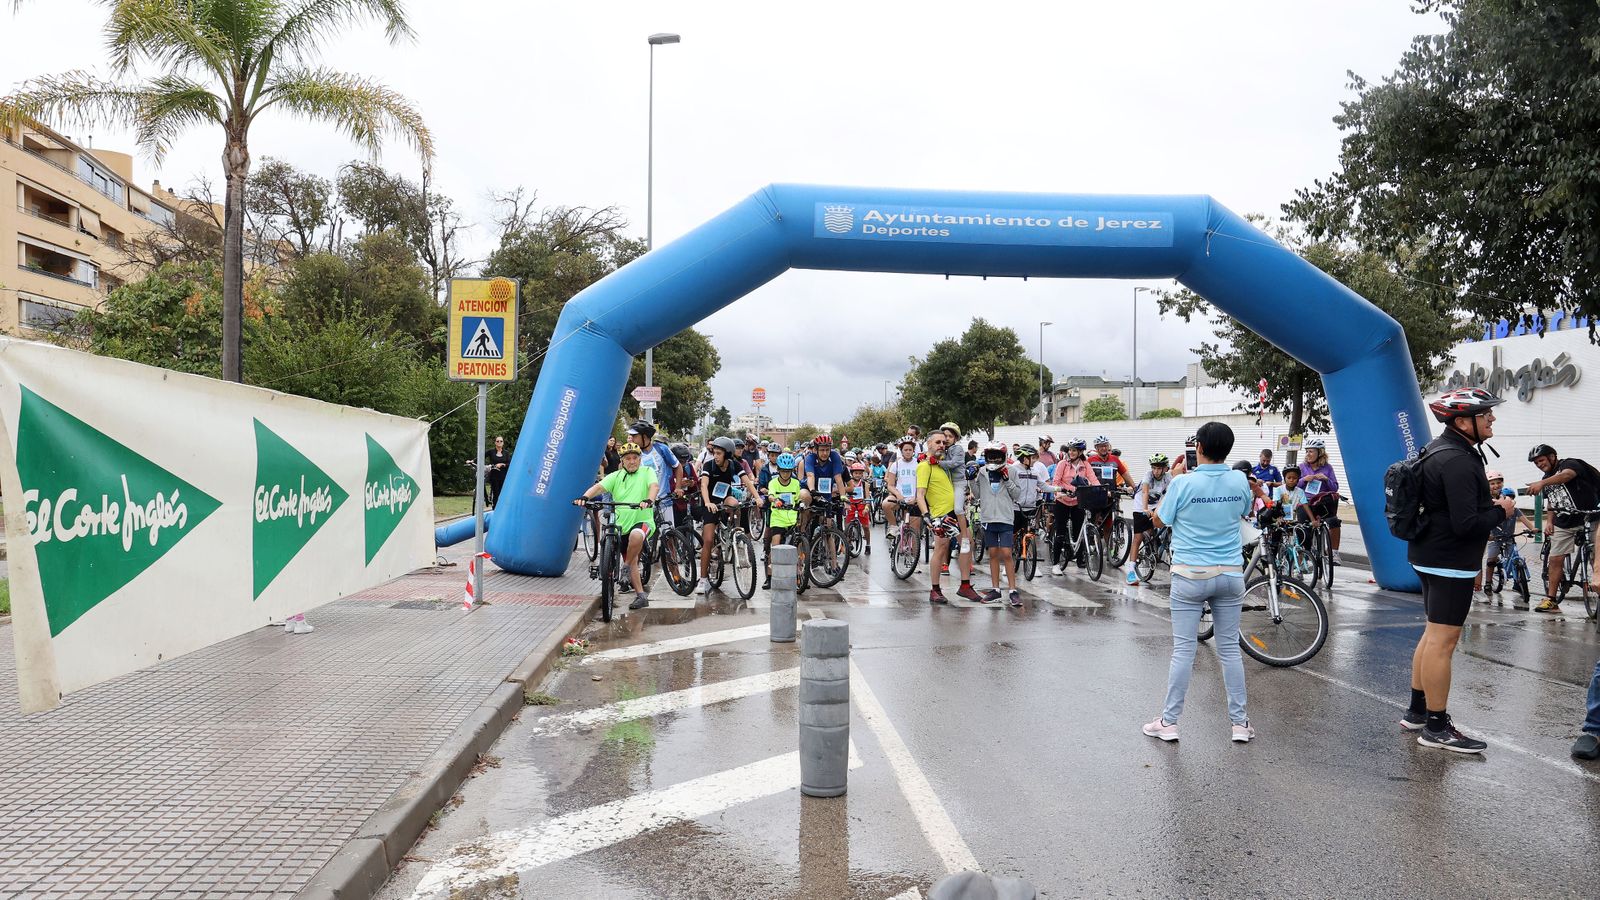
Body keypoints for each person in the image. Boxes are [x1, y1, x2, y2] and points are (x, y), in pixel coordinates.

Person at [1401, 388, 1517, 753]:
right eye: (1486, 415)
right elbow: (1468, 523)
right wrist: (1502, 510)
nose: (1492, 419)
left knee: (1432, 633)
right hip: (1449, 560)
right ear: (1463, 422)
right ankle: (1436, 727)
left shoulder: (1439, 449)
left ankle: (1417, 711)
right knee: (1443, 640)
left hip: (1428, 553)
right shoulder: (1459, 461)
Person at [1143, 421, 1254, 744]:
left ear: (1199, 449)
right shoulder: (1239, 480)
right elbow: (1244, 510)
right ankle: (1240, 724)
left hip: (1190, 575)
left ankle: (1169, 722)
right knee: (1230, 649)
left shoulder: (1183, 482)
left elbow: (1159, 519)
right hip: (1231, 574)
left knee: (1184, 650)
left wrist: (1177, 480)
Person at [574, 442, 660, 611]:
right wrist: (584, 497)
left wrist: (649, 500)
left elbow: (654, 487)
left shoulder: (647, 472)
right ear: (622, 461)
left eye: (635, 458)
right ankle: (641, 596)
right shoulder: (616, 476)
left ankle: (625, 568)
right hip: (621, 525)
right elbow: (599, 487)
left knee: (636, 537)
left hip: (642, 522)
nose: (632, 461)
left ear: (640, 459)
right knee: (631, 557)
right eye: (628, 458)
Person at [1525, 444, 1600, 613]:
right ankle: (1551, 600)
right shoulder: (1547, 477)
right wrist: (1550, 522)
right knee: (1555, 558)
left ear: (1552, 457)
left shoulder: (1570, 464)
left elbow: (1567, 476)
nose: (1539, 464)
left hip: (1590, 517)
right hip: (1564, 522)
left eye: (1541, 460)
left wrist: (1542, 483)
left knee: (1597, 557)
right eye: (1536, 463)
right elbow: (1552, 501)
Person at [696, 436, 760, 595]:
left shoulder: (734, 465)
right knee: (708, 540)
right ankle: (703, 580)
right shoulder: (708, 465)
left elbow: (748, 482)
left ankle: (733, 531)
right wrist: (707, 502)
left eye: (718, 453)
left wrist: (757, 497)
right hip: (710, 503)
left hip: (725, 499)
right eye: (714, 453)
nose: (715, 456)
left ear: (727, 454)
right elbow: (703, 485)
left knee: (735, 504)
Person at [917, 430, 963, 604]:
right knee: (941, 549)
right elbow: (920, 494)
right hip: (940, 514)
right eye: (938, 442)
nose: (942, 446)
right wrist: (927, 516)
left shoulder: (942, 463)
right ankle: (935, 590)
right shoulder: (924, 466)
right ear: (929, 444)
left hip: (955, 512)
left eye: (944, 443)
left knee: (967, 544)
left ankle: (965, 585)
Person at [936, 423, 981, 599]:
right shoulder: (943, 450)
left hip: (958, 483)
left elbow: (954, 464)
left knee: (957, 508)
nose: (946, 439)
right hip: (947, 487)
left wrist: (939, 463)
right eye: (944, 436)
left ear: (955, 437)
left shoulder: (957, 450)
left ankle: (963, 536)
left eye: (949, 436)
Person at [976, 441, 1024, 606]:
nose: (994, 460)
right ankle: (995, 589)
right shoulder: (982, 472)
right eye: (991, 457)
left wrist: (1006, 479)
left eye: (997, 457)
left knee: (1006, 553)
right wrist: (970, 479)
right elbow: (976, 495)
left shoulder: (1012, 470)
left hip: (1005, 518)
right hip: (988, 518)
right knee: (993, 554)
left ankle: (1012, 590)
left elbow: (1017, 494)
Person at [1476, 472, 1534, 601]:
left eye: (1499, 482)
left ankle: (1518, 583)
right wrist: (1488, 533)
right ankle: (1488, 583)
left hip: (1508, 537)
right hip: (1494, 537)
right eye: (1492, 483)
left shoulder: (1506, 498)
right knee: (1491, 560)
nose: (1496, 485)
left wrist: (1533, 528)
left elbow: (1522, 517)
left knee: (1515, 557)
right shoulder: (1485, 499)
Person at [1049, 439, 1099, 576]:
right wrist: (1059, 493)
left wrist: (1100, 490)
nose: (1071, 452)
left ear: (1080, 452)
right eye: (1070, 450)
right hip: (1063, 501)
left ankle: (1080, 557)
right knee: (1060, 532)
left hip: (1078, 501)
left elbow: (1093, 480)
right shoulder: (1062, 464)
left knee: (1079, 531)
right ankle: (1055, 564)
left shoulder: (1086, 465)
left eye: (1074, 450)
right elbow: (1056, 482)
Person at [1125, 453, 1173, 586]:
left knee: (1154, 532)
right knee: (1138, 537)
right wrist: (1146, 509)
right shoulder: (1148, 476)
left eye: (1159, 468)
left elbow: (1171, 493)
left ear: (1165, 468)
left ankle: (1155, 548)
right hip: (1141, 506)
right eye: (1154, 468)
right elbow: (1145, 492)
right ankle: (1131, 571)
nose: (1156, 471)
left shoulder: (1168, 477)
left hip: (1156, 506)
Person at [627, 420, 681, 529]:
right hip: (643, 503)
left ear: (645, 437)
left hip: (663, 501)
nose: (631, 439)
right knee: (643, 537)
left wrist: (678, 487)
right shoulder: (633, 453)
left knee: (669, 536)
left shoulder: (661, 449)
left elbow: (678, 466)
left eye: (635, 436)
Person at [762, 453, 804, 590]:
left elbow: (798, 499)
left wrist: (801, 504)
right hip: (778, 518)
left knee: (797, 547)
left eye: (788, 471)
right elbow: (771, 495)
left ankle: (799, 575)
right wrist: (775, 500)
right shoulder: (773, 482)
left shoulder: (796, 483)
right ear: (778, 470)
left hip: (792, 518)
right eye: (783, 471)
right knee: (775, 545)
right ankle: (769, 577)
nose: (785, 474)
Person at [1298, 439, 1342, 563]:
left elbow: (1335, 487)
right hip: (1306, 502)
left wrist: (1326, 479)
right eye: (1306, 451)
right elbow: (1293, 485)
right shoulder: (1302, 467)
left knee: (1334, 521)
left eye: (1311, 451)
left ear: (1320, 453)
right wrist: (1304, 480)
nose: (1308, 454)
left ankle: (1334, 553)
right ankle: (1302, 562)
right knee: (1303, 530)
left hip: (1322, 502)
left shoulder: (1328, 468)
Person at [803, 434, 848, 534]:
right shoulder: (810, 458)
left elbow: (839, 479)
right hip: (811, 490)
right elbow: (810, 476)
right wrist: (812, 491)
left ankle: (830, 550)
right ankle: (801, 535)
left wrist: (843, 496)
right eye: (822, 450)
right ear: (816, 450)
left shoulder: (835, 456)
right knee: (805, 500)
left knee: (828, 528)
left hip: (825, 493)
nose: (825, 453)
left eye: (827, 450)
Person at [884, 435, 921, 534]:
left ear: (913, 450)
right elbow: (890, 485)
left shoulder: (919, 464)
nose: (908, 451)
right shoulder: (896, 464)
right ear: (901, 451)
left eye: (910, 449)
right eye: (905, 450)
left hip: (914, 498)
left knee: (914, 532)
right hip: (899, 497)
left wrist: (916, 497)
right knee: (885, 504)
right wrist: (898, 495)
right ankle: (893, 526)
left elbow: (922, 484)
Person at [484, 436, 511, 509]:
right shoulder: (491, 451)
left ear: (503, 443)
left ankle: (502, 509)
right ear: (495, 442)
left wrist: (502, 464)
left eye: (501, 441)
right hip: (494, 476)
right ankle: (495, 510)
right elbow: (481, 456)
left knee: (502, 494)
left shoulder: (506, 453)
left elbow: (510, 464)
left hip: (503, 476)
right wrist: (472, 461)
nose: (499, 442)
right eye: (498, 441)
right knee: (496, 494)